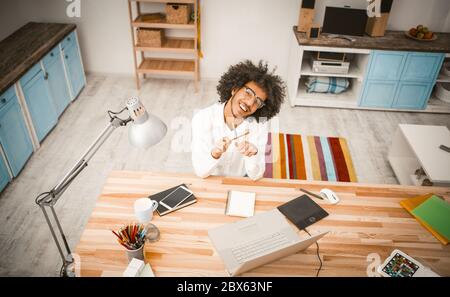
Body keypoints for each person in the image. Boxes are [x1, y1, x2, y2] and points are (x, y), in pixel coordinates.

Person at [191, 60, 286, 180]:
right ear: (235, 89)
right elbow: (201, 171)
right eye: (248, 93)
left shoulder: (259, 125)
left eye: (258, 101)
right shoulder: (202, 118)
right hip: (211, 179)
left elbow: (256, 175)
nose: (250, 103)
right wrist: (215, 153)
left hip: (241, 180)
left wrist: (253, 154)